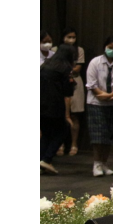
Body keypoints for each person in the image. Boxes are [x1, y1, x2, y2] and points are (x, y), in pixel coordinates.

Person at [84, 36, 113, 177]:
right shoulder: (95, 62)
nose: (111, 51)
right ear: (105, 46)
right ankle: (96, 163)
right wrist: (102, 95)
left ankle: (104, 163)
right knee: (99, 136)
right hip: (97, 103)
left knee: (109, 135)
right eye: (109, 48)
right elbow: (91, 83)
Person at [40, 45, 77, 174]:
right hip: (55, 104)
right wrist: (67, 115)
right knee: (63, 129)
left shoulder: (46, 64)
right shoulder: (65, 68)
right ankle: (47, 159)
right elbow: (67, 92)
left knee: (46, 133)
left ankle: (41, 161)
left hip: (40, 103)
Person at [56, 28, 85, 156]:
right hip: (60, 81)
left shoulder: (79, 50)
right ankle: (60, 144)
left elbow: (78, 68)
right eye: (69, 37)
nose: (71, 39)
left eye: (73, 37)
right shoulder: (55, 49)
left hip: (75, 81)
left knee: (74, 115)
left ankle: (74, 144)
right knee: (60, 114)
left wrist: (66, 70)